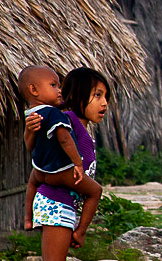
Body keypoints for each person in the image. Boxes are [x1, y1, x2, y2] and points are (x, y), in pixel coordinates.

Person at [25, 67, 111, 261]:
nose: (104, 103)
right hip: (54, 203)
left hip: (63, 206)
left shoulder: (79, 125)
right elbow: (42, 162)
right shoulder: (67, 120)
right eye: (97, 95)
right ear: (76, 95)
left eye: (106, 96)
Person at [19, 65, 103, 248]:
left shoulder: (35, 113)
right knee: (96, 191)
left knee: (32, 182)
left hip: (41, 168)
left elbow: (28, 145)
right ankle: (81, 232)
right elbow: (65, 139)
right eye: (97, 95)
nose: (104, 102)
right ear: (34, 90)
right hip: (58, 180)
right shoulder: (58, 115)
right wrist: (78, 164)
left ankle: (28, 218)